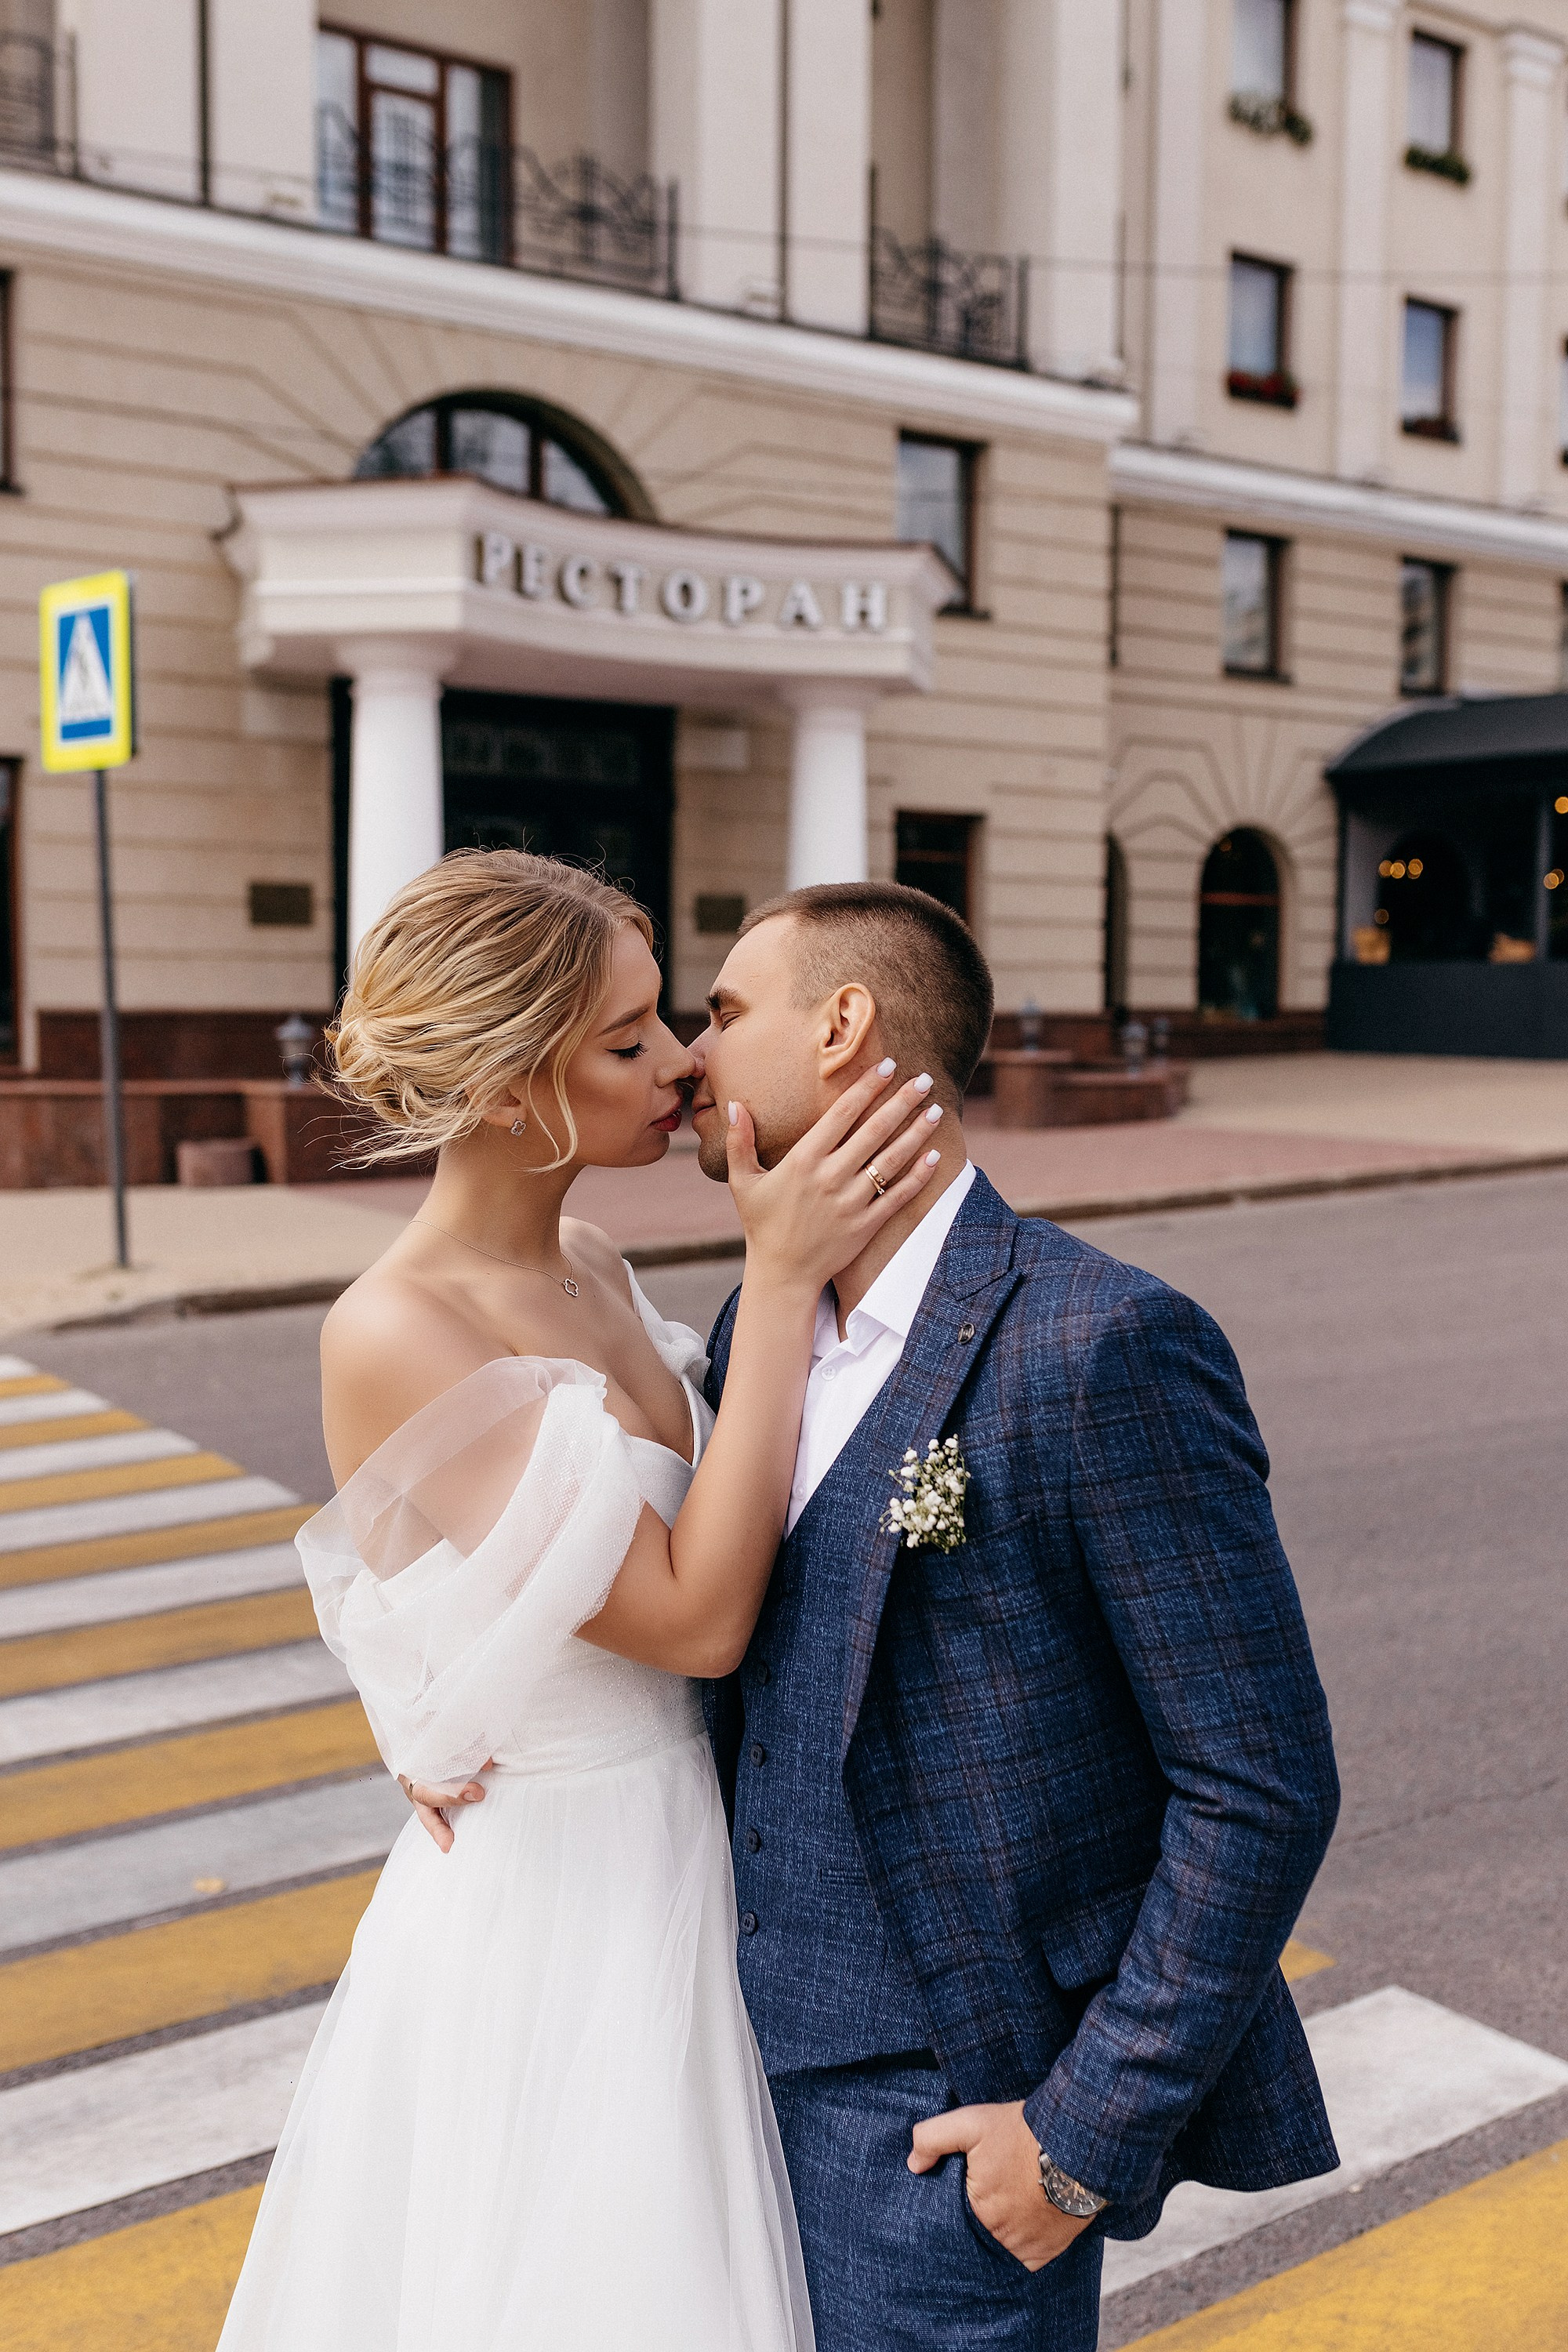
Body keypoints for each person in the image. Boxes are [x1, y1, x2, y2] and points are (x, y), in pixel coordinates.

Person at [216, 849, 945, 2352]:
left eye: (667, 1017)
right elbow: (691, 1621)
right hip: (568, 1909)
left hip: (704, 1847)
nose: (681, 1061)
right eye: (627, 1043)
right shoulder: (397, 1326)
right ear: (502, 1089)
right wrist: (785, 1273)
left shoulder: (598, 1261)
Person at [674, 881, 1342, 2352]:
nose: (691, 1052)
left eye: (724, 1013)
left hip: (940, 2139)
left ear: (843, 1024)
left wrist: (1075, 2144)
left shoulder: (1101, 1343)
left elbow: (1262, 1783)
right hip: (719, 2100)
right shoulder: (756, 1330)